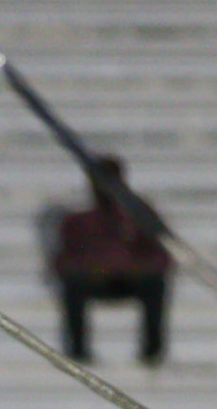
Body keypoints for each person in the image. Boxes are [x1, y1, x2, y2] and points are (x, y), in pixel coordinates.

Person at [51, 155, 171, 366]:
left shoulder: (139, 216)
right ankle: (78, 351)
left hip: (132, 279)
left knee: (156, 284)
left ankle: (152, 352)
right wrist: (91, 269)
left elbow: (161, 256)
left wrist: (134, 267)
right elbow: (64, 260)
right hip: (94, 279)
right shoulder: (78, 221)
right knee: (72, 287)